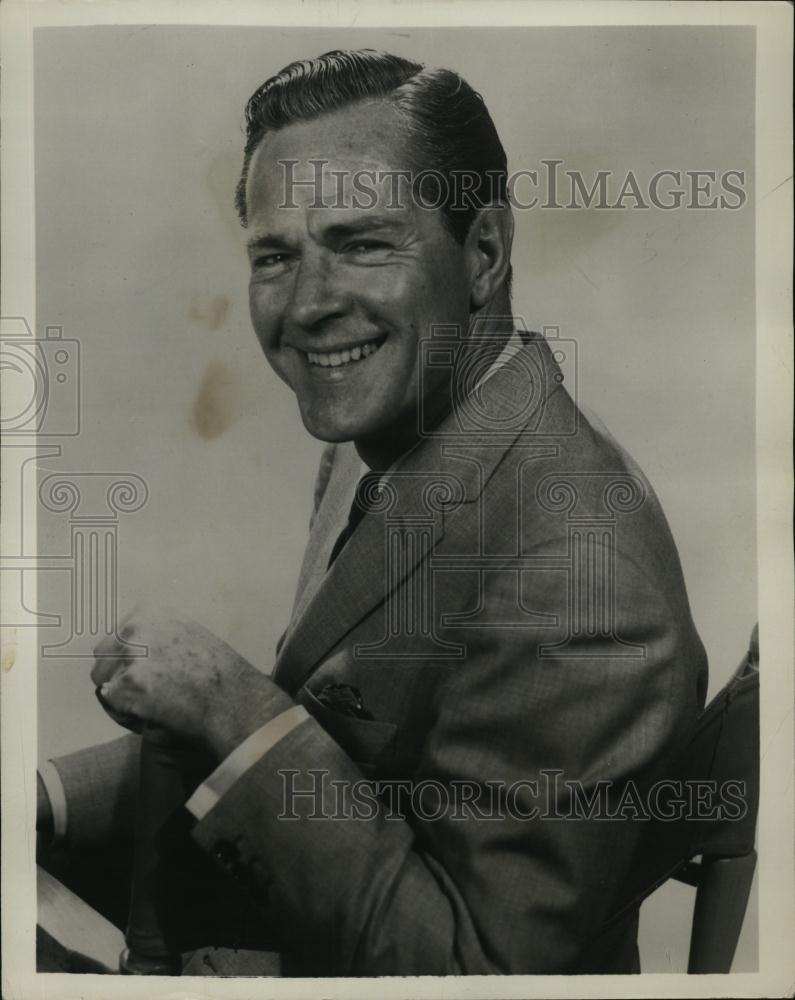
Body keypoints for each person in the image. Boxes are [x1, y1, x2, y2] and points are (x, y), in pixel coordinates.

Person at [37, 49, 708, 976]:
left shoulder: (575, 568)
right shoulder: (392, 446)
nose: (308, 304)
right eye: (276, 256)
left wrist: (235, 707)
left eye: (363, 243)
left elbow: (484, 974)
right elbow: (337, 757)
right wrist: (40, 801)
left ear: (483, 254)